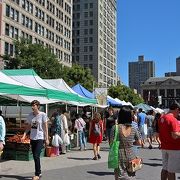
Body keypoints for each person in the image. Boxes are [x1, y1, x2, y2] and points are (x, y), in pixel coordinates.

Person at [110, 106, 141, 180]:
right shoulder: (133, 128)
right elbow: (139, 142)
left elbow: (111, 143)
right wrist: (130, 144)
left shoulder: (115, 128)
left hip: (119, 154)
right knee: (131, 174)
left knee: (119, 176)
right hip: (131, 154)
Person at [21, 100, 49, 180]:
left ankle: (37, 174)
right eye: (32, 105)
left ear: (38, 106)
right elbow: (29, 126)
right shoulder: (30, 115)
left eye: (34, 105)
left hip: (40, 138)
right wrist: (24, 135)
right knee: (35, 156)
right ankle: (39, 172)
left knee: (36, 155)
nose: (32, 107)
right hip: (32, 138)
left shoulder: (43, 115)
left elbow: (46, 127)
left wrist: (47, 138)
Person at [158, 101, 180, 180]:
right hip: (174, 147)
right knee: (171, 171)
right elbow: (175, 135)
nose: (179, 114)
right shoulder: (173, 119)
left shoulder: (162, 118)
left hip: (164, 146)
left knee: (165, 168)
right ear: (176, 109)